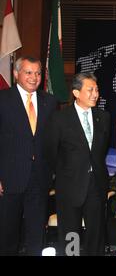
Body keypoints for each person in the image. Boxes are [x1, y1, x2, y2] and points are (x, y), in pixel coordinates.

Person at [44, 73, 110, 256]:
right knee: (70, 235)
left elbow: (100, 151)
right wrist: (66, 172)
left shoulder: (104, 117)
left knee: (96, 235)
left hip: (96, 185)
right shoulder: (60, 119)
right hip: (69, 186)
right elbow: (50, 152)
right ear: (76, 92)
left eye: (96, 90)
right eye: (90, 90)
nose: (95, 94)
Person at [0, 56, 57, 256]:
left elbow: (53, 141)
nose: (34, 77)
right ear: (16, 74)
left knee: (36, 235)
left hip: (40, 178)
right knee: (7, 235)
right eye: (28, 72)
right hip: (9, 178)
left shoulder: (50, 102)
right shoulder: (3, 100)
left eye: (38, 73)